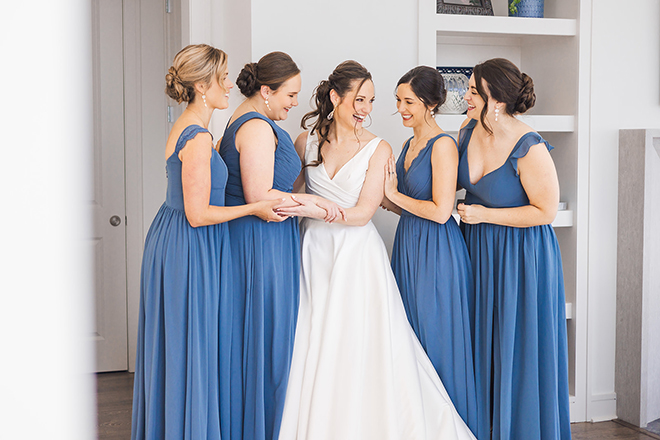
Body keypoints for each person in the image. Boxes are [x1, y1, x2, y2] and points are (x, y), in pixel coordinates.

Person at [277, 60, 476, 440]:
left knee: (358, 345)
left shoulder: (380, 148)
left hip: (356, 256)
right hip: (313, 252)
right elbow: (292, 192)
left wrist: (313, 208)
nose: (367, 109)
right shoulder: (307, 142)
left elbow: (363, 213)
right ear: (335, 98)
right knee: (312, 340)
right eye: (359, 99)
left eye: (371, 100)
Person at [131, 44, 284, 440]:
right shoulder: (198, 137)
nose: (230, 84)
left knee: (185, 345)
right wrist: (255, 208)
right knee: (193, 345)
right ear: (202, 85)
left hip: (176, 238)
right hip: (189, 243)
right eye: (223, 77)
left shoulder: (191, 127)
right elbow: (198, 215)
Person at [217, 52, 345, 440]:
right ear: (266, 91)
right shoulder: (256, 127)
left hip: (264, 238)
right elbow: (261, 195)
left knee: (262, 333)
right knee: (266, 335)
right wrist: (321, 205)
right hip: (261, 242)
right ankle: (260, 427)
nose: (293, 102)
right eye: (289, 95)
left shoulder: (248, 120)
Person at [456, 58, 571, 439]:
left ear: (497, 101)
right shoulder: (465, 130)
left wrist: (484, 216)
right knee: (480, 343)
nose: (466, 97)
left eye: (474, 91)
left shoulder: (529, 145)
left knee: (517, 348)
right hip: (477, 251)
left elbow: (546, 211)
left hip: (521, 259)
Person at [383, 66, 485, 439]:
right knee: (410, 343)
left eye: (408, 101)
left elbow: (441, 211)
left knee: (439, 344)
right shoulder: (409, 144)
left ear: (431, 104)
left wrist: (394, 196)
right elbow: (402, 205)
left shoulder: (443, 145)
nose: (401, 108)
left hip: (438, 254)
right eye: (398, 100)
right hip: (408, 247)